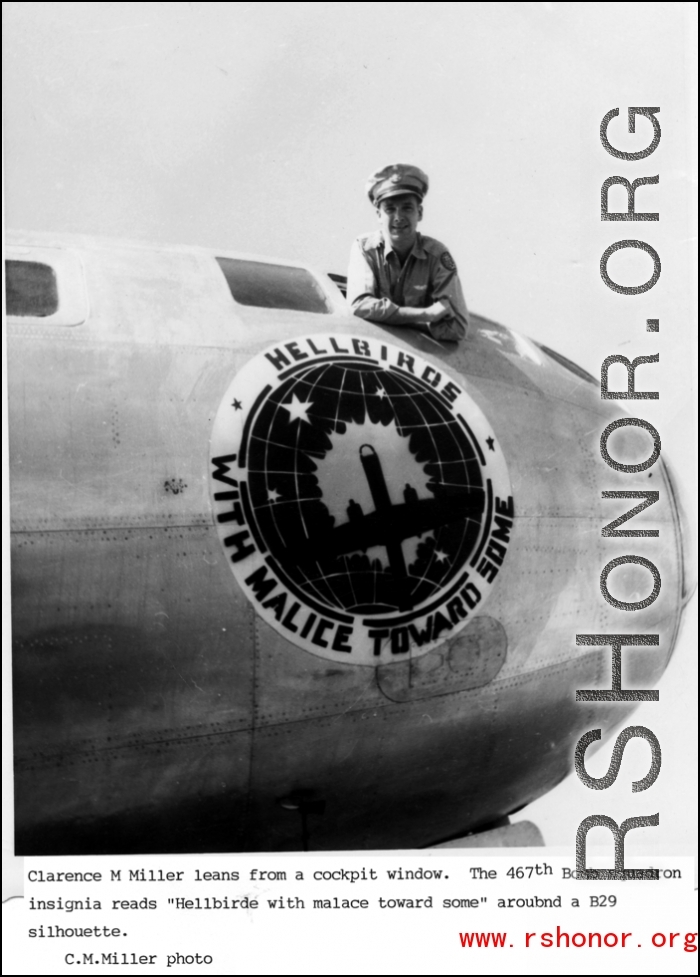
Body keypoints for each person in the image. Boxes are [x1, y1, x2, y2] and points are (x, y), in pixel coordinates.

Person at [346, 163, 469, 342]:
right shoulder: (365, 248)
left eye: (407, 208)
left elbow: (456, 328)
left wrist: (391, 316)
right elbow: (359, 306)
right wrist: (424, 315)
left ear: (419, 213)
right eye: (389, 209)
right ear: (378, 215)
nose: (398, 217)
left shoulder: (437, 255)